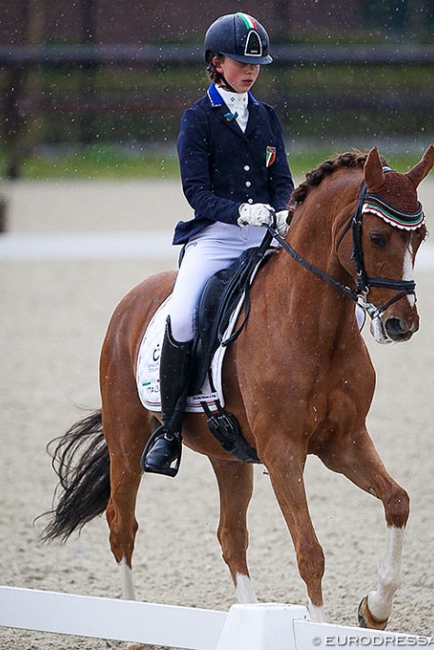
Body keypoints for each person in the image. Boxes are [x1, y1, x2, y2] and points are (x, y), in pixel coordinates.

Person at [141, 12, 295, 476]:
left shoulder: (266, 117)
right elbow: (196, 192)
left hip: (266, 233)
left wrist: (285, 209)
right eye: (239, 61)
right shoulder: (198, 118)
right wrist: (238, 211)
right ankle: (169, 431)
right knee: (185, 314)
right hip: (216, 236)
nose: (250, 70)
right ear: (215, 62)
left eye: (256, 63)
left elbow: (281, 179)